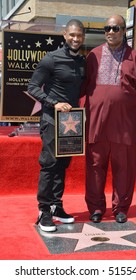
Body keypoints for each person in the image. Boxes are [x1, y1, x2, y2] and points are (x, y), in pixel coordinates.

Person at [81, 15, 136, 224]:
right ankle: (95, 208)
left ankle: (121, 208)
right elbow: (83, 88)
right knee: (94, 166)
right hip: (97, 123)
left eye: (115, 28)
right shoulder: (93, 55)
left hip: (124, 125)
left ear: (123, 31)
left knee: (124, 167)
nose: (111, 32)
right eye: (107, 28)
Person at [28, 19, 85, 232]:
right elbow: (32, 87)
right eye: (72, 34)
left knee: (63, 165)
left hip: (71, 122)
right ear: (64, 34)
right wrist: (54, 103)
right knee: (49, 164)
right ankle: (43, 210)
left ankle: (56, 206)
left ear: (83, 37)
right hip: (52, 120)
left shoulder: (82, 61)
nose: (75, 39)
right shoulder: (51, 59)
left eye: (79, 35)